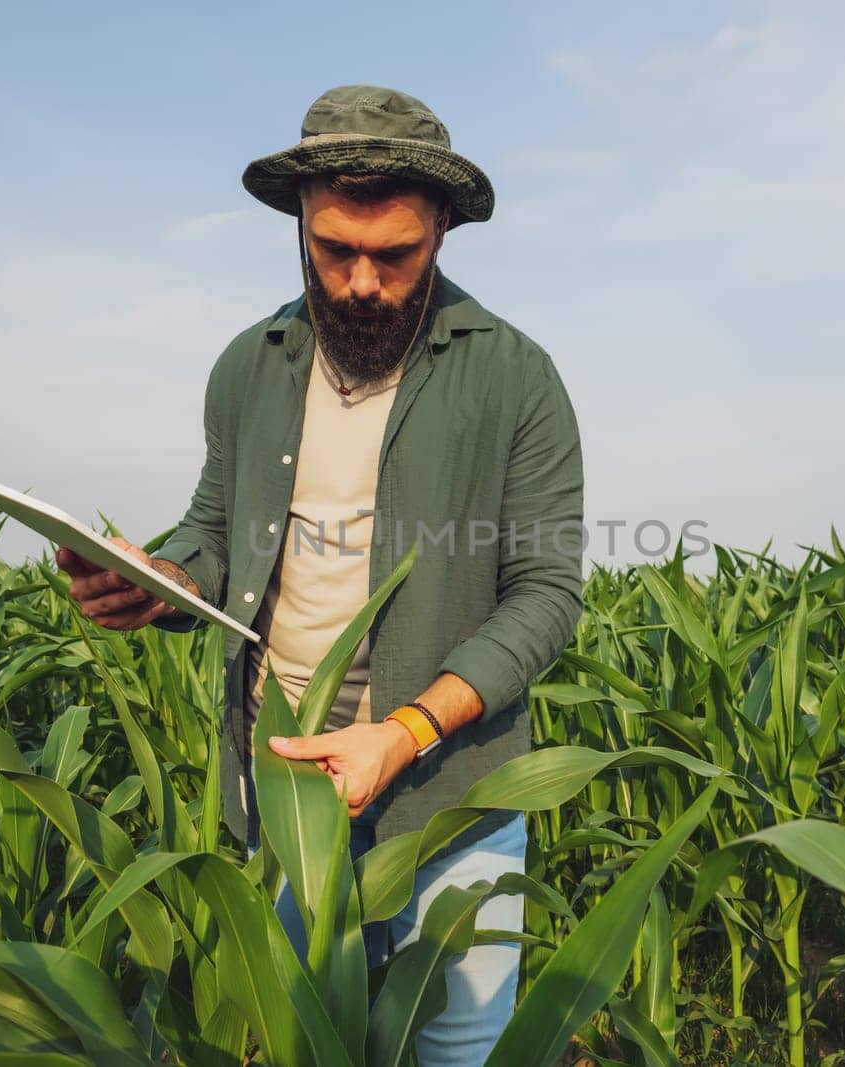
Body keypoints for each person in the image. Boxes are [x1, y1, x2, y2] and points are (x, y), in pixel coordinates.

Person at [57, 83, 584, 1064]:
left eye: (395, 255)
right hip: (285, 784)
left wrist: (406, 728)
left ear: (442, 235)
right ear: (299, 225)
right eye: (333, 249)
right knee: (308, 1041)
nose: (360, 283)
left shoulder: (515, 376)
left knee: (457, 1048)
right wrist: (159, 576)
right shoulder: (247, 367)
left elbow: (549, 590)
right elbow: (217, 530)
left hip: (449, 789)